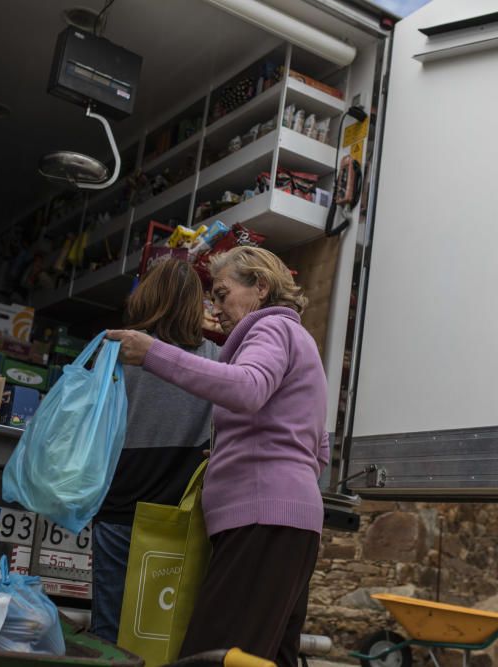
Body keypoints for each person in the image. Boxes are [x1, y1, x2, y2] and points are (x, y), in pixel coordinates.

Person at [108, 246, 329, 667]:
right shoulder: (302, 342)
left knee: (214, 656)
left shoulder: (270, 331)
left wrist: (152, 352)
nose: (216, 307)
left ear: (260, 287)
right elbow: (319, 450)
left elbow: (246, 389)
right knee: (267, 657)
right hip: (292, 522)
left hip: (262, 521)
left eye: (223, 293)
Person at [91, 259, 219, 642]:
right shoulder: (214, 358)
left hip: (118, 503)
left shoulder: (117, 350)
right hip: (178, 514)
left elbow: (95, 427)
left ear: (145, 295)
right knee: (164, 630)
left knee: (110, 631)